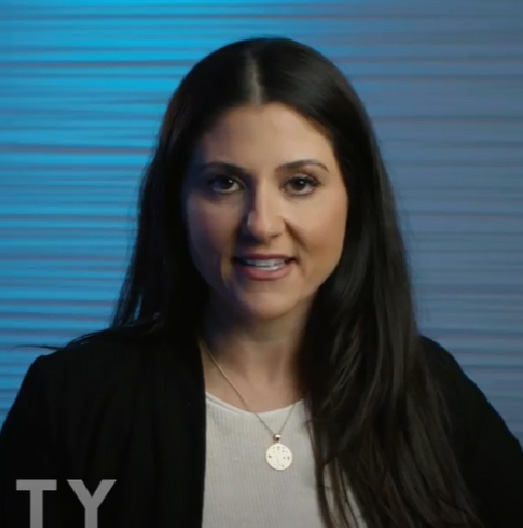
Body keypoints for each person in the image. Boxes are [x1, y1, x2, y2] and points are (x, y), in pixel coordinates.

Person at [0, 36, 521, 528]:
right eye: (224, 183)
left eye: (300, 183)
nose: (262, 224)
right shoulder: (70, 400)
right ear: (178, 202)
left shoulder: (429, 390)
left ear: (353, 202)